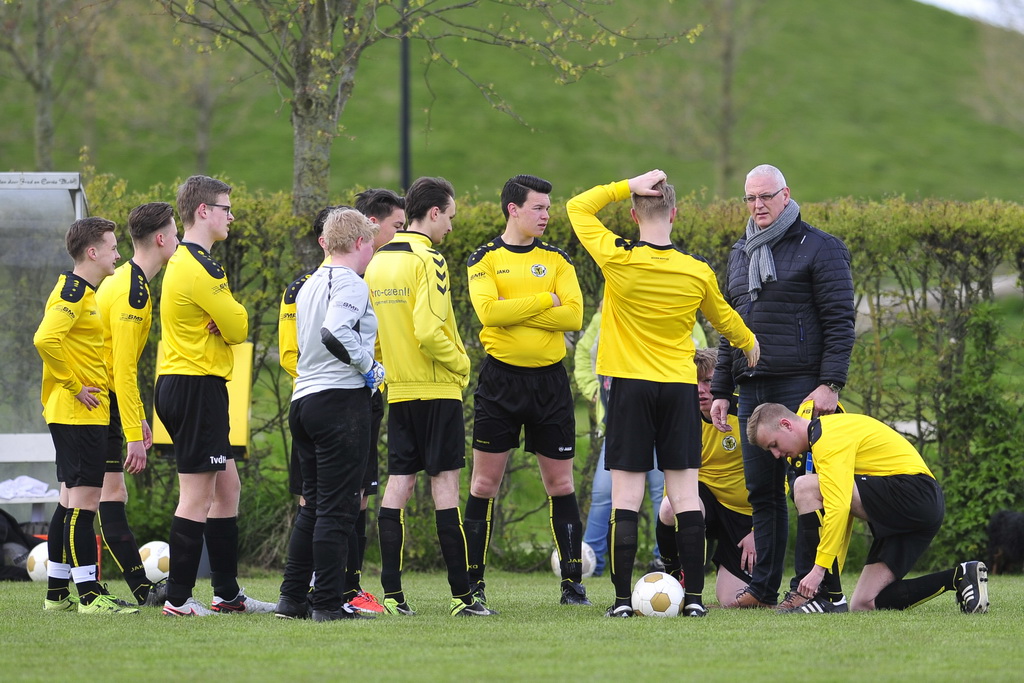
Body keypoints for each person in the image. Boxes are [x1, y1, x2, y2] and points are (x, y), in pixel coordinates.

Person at [567, 169, 758, 618]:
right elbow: (725, 318)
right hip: (677, 388)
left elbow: (577, 206)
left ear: (633, 216)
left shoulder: (618, 257)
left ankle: (618, 602)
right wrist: (749, 341)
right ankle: (692, 601)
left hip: (629, 389)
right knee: (686, 497)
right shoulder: (696, 271)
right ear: (674, 213)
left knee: (626, 499)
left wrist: (624, 183)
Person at [710, 164, 855, 610]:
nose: (758, 206)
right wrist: (719, 387)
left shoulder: (821, 247)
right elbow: (727, 326)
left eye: (766, 197)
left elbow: (839, 320)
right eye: (750, 198)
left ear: (786, 195)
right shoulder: (739, 253)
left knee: (808, 486)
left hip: (802, 385)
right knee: (762, 491)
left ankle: (810, 589)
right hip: (752, 386)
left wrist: (830, 382)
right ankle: (763, 588)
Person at [365, 176, 494, 617]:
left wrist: (386, 375)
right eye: (451, 217)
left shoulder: (378, 261)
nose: (452, 228)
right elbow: (428, 330)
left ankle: (392, 595)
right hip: (437, 389)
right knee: (445, 489)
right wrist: (461, 364)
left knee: (398, 484)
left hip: (398, 390)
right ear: (434, 213)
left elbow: (374, 336)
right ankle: (462, 596)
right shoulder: (430, 260)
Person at [463, 174, 588, 607]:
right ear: (513, 209)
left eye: (548, 208)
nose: (546, 215)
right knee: (483, 483)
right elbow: (489, 313)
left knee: (561, 483)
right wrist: (543, 301)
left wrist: (518, 312)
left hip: (550, 382)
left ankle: (573, 585)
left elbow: (573, 317)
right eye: (539, 208)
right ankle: (472, 584)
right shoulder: (484, 258)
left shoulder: (557, 258)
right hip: (500, 381)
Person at [155, 175, 275, 617]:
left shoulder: (187, 262)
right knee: (197, 495)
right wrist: (226, 320)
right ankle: (180, 599)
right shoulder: (200, 266)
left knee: (227, 488)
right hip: (194, 385)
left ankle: (226, 593)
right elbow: (239, 327)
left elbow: (230, 324)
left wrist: (224, 321)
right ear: (203, 211)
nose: (231, 216)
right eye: (226, 208)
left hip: (191, 384)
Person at [747, 403, 989, 614]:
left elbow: (839, 506)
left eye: (774, 445)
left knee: (805, 487)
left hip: (915, 493)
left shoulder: (827, 437)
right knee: (864, 602)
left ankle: (828, 598)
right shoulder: (823, 439)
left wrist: (819, 571)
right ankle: (959, 576)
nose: (777, 454)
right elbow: (843, 512)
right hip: (917, 509)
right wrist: (830, 569)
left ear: (787, 424)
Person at [278, 208, 383, 622]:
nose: (373, 250)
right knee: (340, 508)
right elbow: (336, 332)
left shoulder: (308, 284)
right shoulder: (352, 284)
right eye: (371, 242)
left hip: (303, 400)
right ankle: (325, 603)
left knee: (314, 506)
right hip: (338, 401)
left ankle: (291, 598)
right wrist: (368, 365)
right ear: (359, 243)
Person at [33, 216, 138, 614]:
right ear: (92, 252)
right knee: (84, 503)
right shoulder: (75, 291)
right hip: (79, 413)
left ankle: (58, 593)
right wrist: (74, 385)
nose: (118, 254)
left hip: (76, 413)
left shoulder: (83, 292)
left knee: (68, 501)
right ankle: (91, 596)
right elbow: (45, 338)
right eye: (113, 247)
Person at [94, 202, 179, 607]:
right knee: (109, 494)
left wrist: (138, 417)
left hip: (98, 397)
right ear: (161, 239)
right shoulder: (132, 290)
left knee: (76, 496)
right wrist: (132, 433)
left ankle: (62, 589)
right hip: (100, 400)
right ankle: (142, 591)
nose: (179, 241)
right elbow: (122, 369)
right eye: (176, 234)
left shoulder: (128, 279)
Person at [655, 348, 755, 606]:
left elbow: (777, 476)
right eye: (694, 381)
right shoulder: (680, 417)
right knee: (669, 507)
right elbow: (674, 474)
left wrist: (759, 530)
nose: (700, 389)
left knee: (732, 602)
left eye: (708, 381)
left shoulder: (745, 414)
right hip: (703, 500)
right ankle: (676, 575)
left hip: (743, 513)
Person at [576, 302, 668, 577]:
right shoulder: (600, 319)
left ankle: (663, 558)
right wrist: (594, 393)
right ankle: (591, 561)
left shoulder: (660, 309)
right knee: (604, 492)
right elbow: (583, 355)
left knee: (658, 492)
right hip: (618, 423)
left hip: (660, 424)